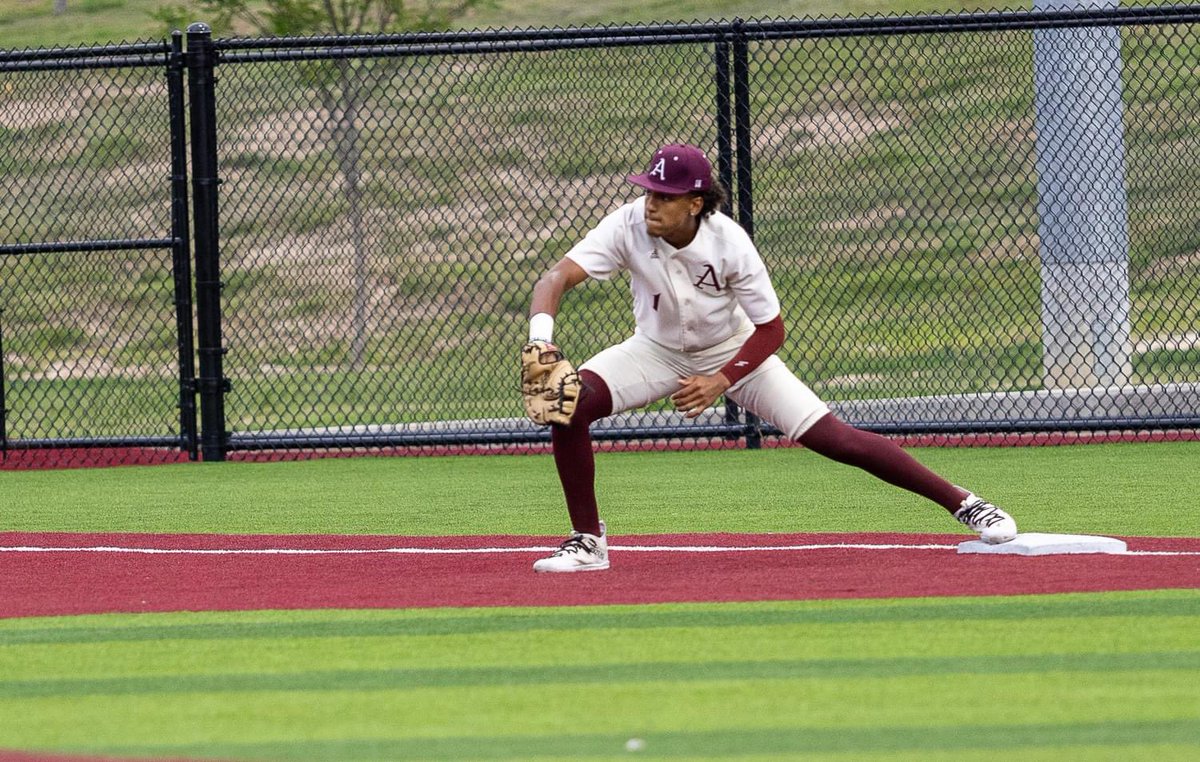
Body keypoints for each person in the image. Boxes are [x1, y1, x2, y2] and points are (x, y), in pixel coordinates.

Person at [526, 143, 1017, 573]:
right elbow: (555, 279)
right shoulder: (627, 224)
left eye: (665, 196)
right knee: (567, 404)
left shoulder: (729, 242)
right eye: (649, 192)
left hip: (735, 350)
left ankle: (967, 504)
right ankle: (589, 541)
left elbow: (772, 329)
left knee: (835, 438)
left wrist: (722, 379)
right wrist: (542, 340)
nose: (651, 203)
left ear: (695, 203)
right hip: (654, 350)